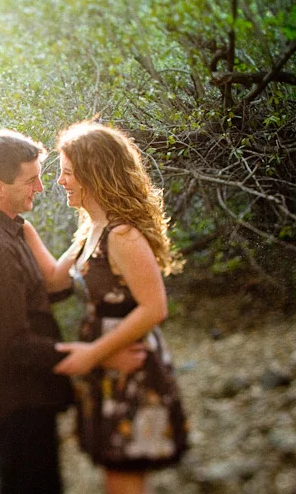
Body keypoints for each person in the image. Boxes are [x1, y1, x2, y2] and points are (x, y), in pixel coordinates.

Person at [0, 129, 145, 494]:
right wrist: (97, 358)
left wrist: (96, 225)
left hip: (25, 399)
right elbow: (15, 345)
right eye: (31, 180)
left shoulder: (8, 230)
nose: (40, 188)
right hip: (15, 404)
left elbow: (46, 291)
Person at [23, 120, 188, 494]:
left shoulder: (123, 235)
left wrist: (93, 354)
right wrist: (17, 225)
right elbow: (54, 279)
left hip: (130, 368)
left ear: (93, 174)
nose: (60, 181)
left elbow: (155, 307)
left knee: (123, 477)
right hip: (107, 365)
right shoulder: (91, 227)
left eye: (67, 173)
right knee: (114, 472)